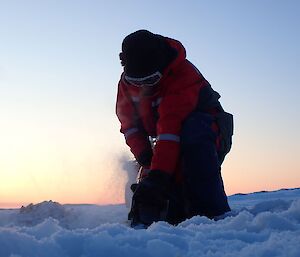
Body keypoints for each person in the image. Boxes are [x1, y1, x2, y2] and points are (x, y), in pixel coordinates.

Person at [116, 30, 233, 227]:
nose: (144, 87)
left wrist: (159, 177)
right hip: (166, 139)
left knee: (191, 141)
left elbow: (170, 130)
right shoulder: (126, 83)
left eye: (151, 80)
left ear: (161, 67)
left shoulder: (182, 76)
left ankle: (213, 215)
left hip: (207, 134)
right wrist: (145, 156)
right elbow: (129, 125)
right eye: (138, 82)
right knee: (162, 184)